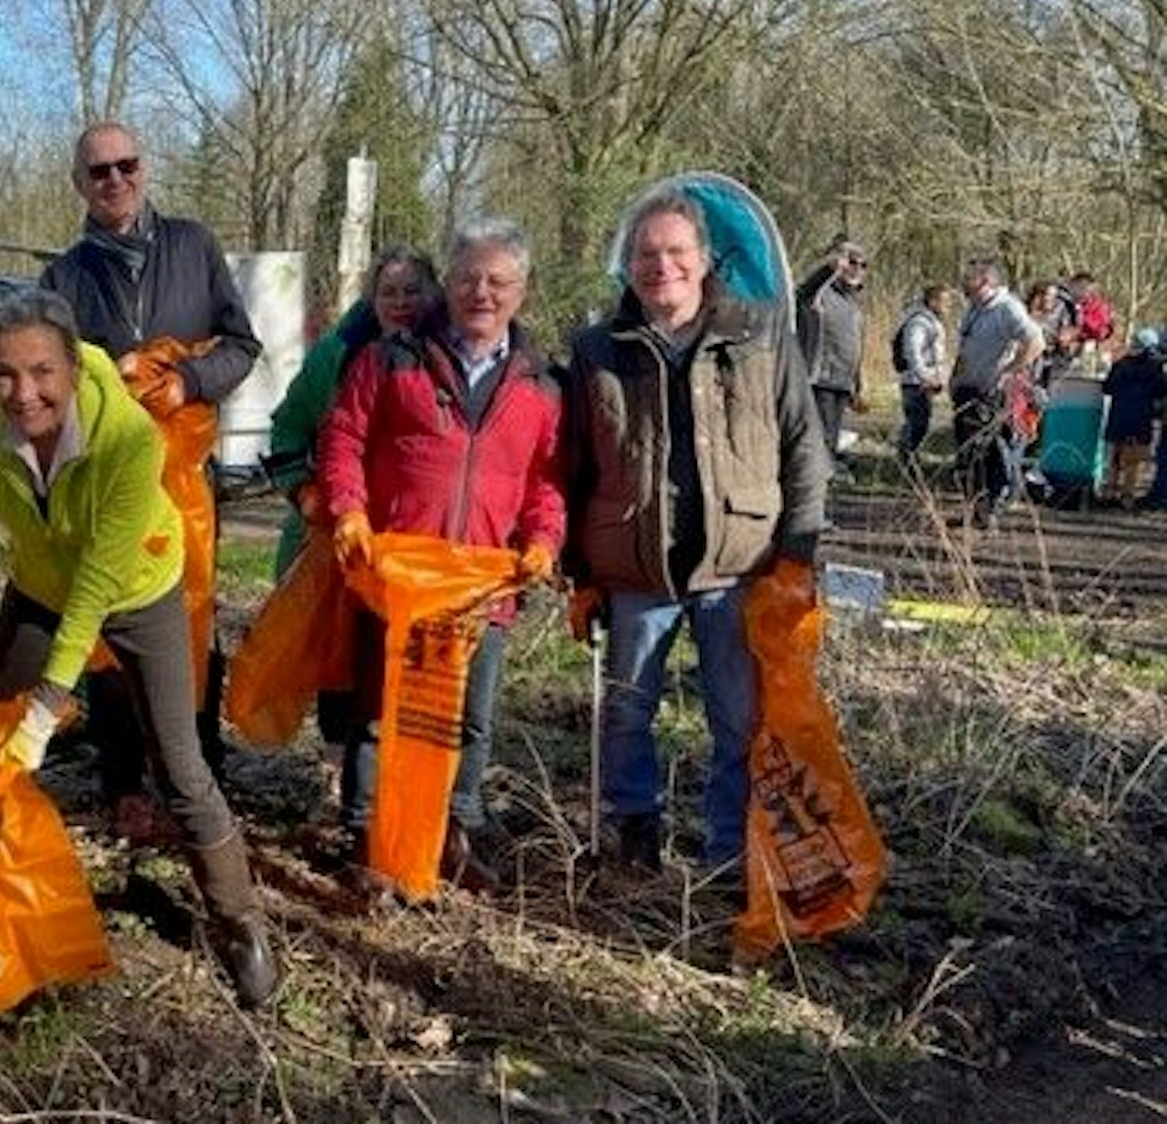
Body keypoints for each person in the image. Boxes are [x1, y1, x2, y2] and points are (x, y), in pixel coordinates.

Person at [0, 290, 280, 1008]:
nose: (22, 393)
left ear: (71, 366)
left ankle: (240, 922)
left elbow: (95, 587)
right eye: (4, 374)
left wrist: (49, 707)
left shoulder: (128, 436)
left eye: (41, 372)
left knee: (179, 766)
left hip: (136, 587)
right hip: (38, 586)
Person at [563, 184, 829, 874]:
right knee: (625, 715)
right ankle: (632, 837)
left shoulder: (761, 334)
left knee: (738, 720)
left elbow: (804, 448)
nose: (662, 266)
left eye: (677, 251)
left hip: (739, 565)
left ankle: (727, 854)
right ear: (628, 266)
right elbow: (573, 465)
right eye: (646, 255)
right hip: (633, 567)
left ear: (705, 259)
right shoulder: (597, 349)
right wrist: (577, 572)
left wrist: (798, 553)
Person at [316, 218, 565, 896]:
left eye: (498, 281)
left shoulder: (542, 386)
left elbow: (547, 480)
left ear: (522, 290)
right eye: (468, 278)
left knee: (469, 718)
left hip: (483, 585)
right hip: (398, 573)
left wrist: (544, 539)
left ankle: (454, 832)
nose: (482, 293)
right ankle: (366, 836)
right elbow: (343, 438)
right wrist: (349, 509)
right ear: (446, 284)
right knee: (380, 711)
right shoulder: (391, 359)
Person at [39, 121, 263, 830]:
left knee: (193, 617)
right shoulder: (63, 278)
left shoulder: (194, 246)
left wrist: (188, 381)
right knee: (109, 622)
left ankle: (197, 768)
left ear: (145, 166)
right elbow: (45, 382)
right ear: (79, 184)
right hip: (107, 483)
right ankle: (124, 778)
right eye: (98, 171)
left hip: (186, 480)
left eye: (126, 164)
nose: (115, 179)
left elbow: (243, 344)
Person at [267, 245, 440, 576]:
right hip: (328, 532)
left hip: (414, 539)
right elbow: (288, 427)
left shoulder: (453, 362)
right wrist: (302, 490)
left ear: (433, 294)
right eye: (388, 292)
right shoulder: (333, 357)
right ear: (372, 299)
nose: (400, 302)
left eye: (412, 291)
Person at [951, 258, 1045, 530]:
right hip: (967, 390)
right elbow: (965, 347)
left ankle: (990, 511)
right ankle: (974, 510)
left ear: (985, 281)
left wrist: (1009, 371)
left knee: (991, 454)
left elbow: (1035, 341)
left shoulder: (1007, 308)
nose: (964, 284)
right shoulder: (974, 309)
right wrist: (954, 378)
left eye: (970, 278)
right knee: (968, 456)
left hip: (991, 394)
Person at [795, 240, 868, 478]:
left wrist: (858, 384)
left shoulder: (855, 304)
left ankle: (825, 478)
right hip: (820, 378)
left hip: (843, 381)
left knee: (832, 437)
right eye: (852, 262)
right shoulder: (820, 294)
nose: (857, 269)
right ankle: (816, 482)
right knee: (820, 437)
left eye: (863, 264)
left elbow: (856, 345)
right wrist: (829, 269)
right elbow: (804, 292)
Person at [1103, 327, 1166, 508]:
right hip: (1141, 418)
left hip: (1118, 416)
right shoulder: (1155, 369)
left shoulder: (1119, 365)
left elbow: (1107, 388)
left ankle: (1110, 492)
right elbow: (1160, 391)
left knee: (1115, 457)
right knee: (1134, 461)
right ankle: (1127, 496)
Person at [893, 284, 952, 463]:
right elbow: (913, 353)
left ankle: (909, 458)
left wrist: (939, 377)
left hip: (924, 381)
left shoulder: (932, 322)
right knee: (916, 424)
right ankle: (907, 459)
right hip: (915, 382)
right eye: (945, 301)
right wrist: (925, 377)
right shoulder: (919, 323)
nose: (949, 306)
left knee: (921, 423)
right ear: (933, 302)